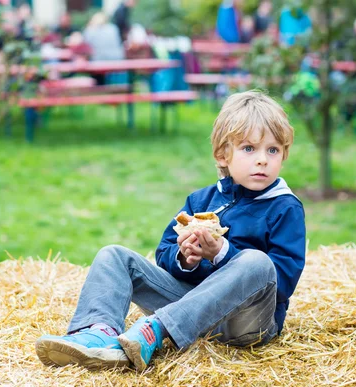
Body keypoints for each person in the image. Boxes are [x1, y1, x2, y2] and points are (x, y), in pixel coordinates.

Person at [35, 91, 307, 372]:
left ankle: (156, 329)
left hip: (246, 323)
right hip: (191, 311)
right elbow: (163, 254)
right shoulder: (200, 202)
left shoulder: (285, 208)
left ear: (284, 154)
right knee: (114, 255)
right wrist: (185, 259)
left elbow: (282, 282)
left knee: (257, 262)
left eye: (272, 150)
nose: (262, 159)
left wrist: (220, 254)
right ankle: (97, 334)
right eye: (249, 148)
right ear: (222, 154)